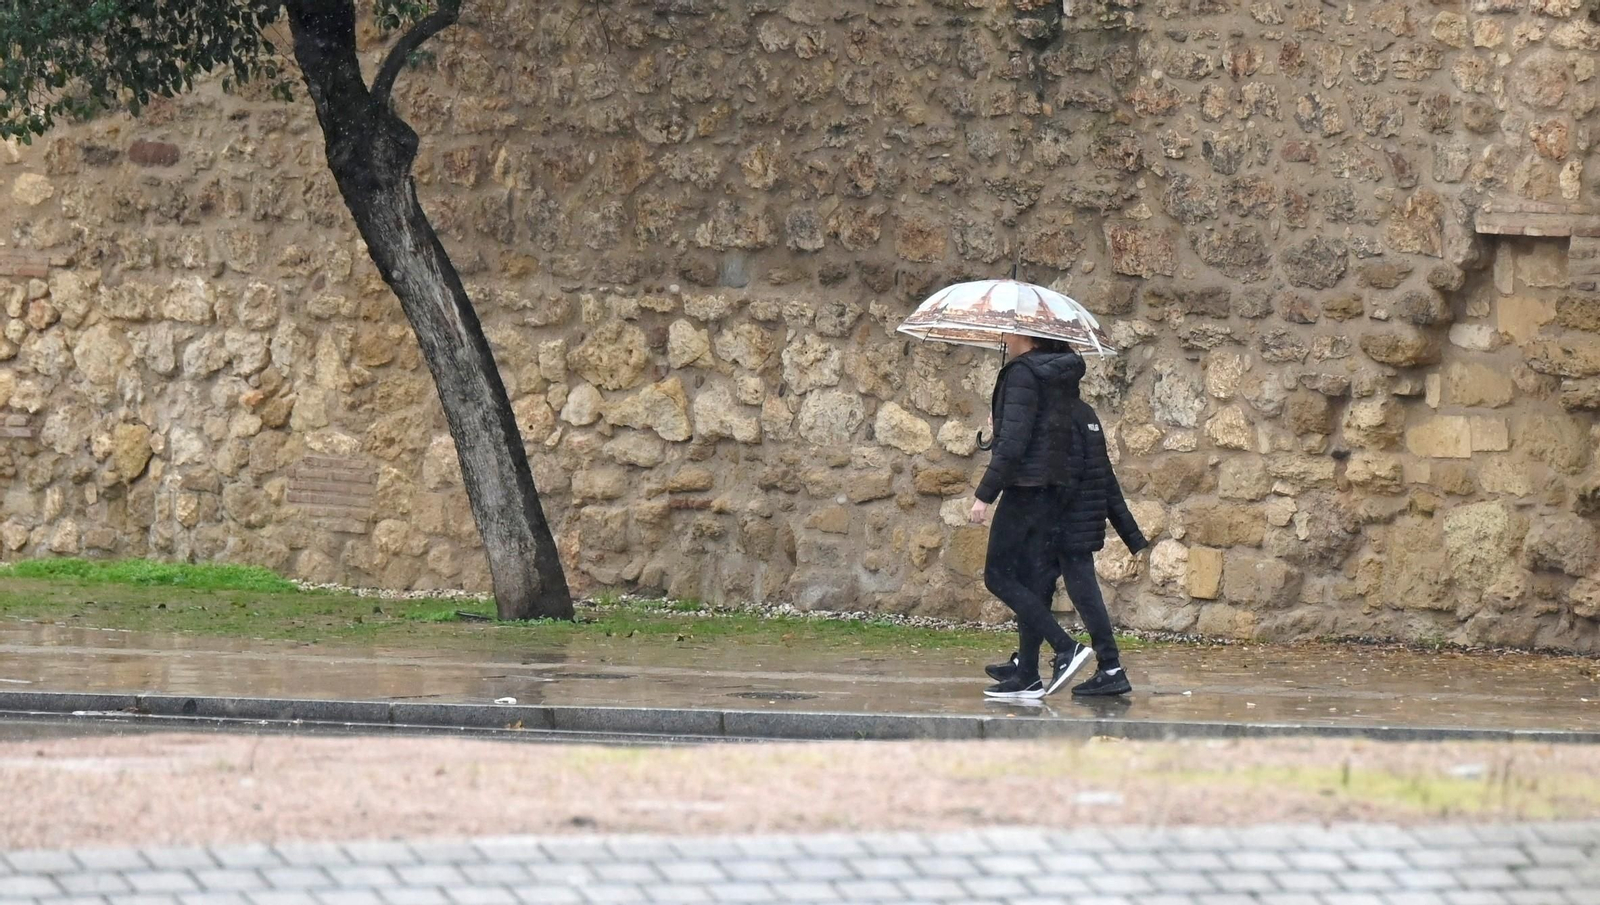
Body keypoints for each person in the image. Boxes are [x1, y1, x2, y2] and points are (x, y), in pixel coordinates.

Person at [970, 332, 1148, 698]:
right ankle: (1030, 667)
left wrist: (985, 493)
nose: (1005, 335)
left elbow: (1098, 475)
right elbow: (1103, 476)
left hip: (1066, 515)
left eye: (1010, 331)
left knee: (1063, 586)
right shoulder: (1073, 408)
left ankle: (1090, 659)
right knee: (1037, 586)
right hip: (1059, 507)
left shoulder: (1048, 396)